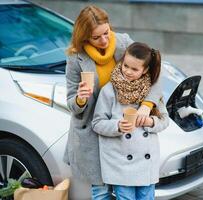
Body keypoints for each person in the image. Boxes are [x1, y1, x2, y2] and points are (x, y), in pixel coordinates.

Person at [63, 6, 162, 200]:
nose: (104, 40)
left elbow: (155, 71)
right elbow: (71, 103)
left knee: (128, 189)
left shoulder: (123, 42)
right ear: (84, 37)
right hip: (91, 133)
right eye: (96, 37)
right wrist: (81, 98)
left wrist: (147, 105)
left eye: (106, 33)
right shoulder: (76, 57)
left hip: (123, 132)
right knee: (100, 192)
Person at [92, 42, 169, 200]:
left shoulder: (152, 92)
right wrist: (118, 126)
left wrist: (151, 122)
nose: (127, 71)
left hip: (146, 164)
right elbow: (97, 123)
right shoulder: (109, 91)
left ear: (145, 70)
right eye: (125, 66)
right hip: (120, 164)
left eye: (134, 69)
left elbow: (165, 120)